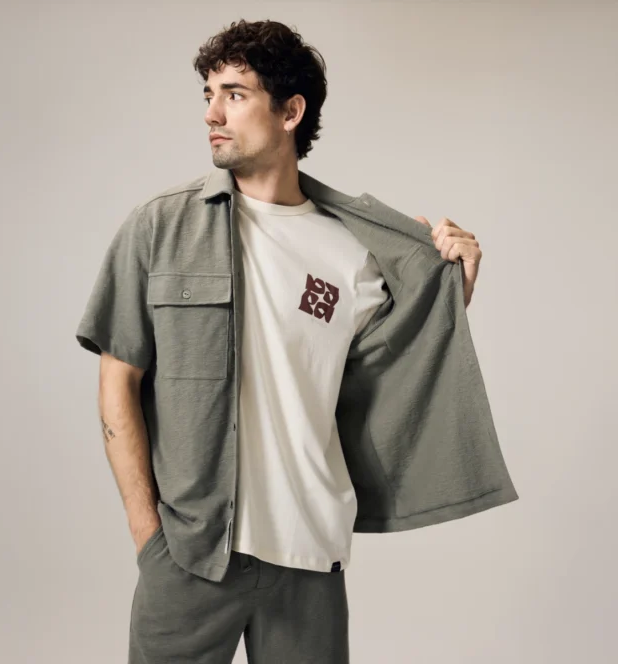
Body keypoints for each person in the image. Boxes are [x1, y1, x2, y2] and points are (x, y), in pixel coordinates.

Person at [75, 19, 517, 664]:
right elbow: (118, 379)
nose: (212, 114)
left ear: (291, 112)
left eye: (234, 94)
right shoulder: (159, 228)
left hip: (311, 560)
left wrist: (452, 289)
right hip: (194, 556)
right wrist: (150, 538)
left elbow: (392, 376)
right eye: (208, 95)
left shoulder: (353, 253)